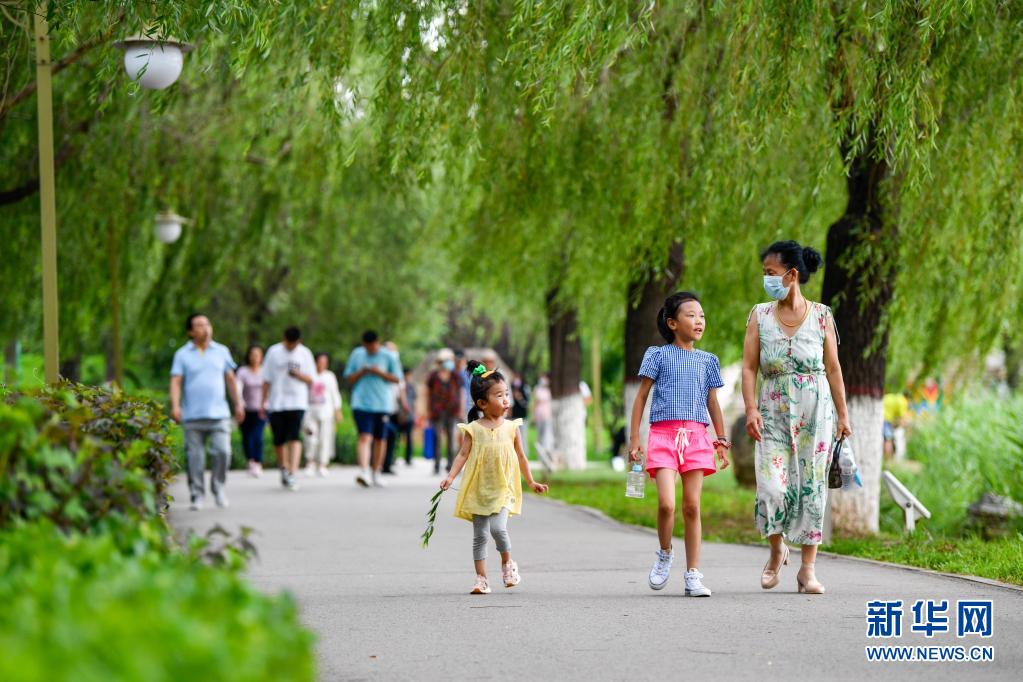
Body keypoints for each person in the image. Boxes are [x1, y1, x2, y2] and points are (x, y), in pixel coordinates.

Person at [742, 240, 851, 595]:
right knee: (772, 486)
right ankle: (776, 551)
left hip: (815, 412)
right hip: (771, 410)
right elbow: (747, 367)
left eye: (770, 273)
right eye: (764, 273)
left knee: (811, 487)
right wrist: (750, 408)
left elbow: (833, 369)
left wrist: (843, 416)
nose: (766, 279)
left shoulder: (822, 315)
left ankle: (808, 570)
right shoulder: (759, 314)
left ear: (791, 275)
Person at [628, 292, 730, 598]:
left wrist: (721, 440)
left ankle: (693, 574)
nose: (699, 321)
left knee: (692, 506)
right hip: (662, 435)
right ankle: (664, 553)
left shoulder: (708, 360)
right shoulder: (657, 356)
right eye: (691, 315)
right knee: (667, 504)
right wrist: (635, 438)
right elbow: (641, 397)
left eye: (701, 315)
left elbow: (713, 402)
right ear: (672, 323)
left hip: (697, 437)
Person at [440, 360, 549, 594]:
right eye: (499, 395)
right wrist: (450, 477)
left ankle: (508, 564)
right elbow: (461, 455)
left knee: (498, 529)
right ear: (482, 403)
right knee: (479, 536)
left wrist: (531, 481)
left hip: (502, 488)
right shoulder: (473, 429)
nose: (506, 399)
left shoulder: (512, 427)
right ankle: (481, 579)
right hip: (479, 490)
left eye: (506, 394)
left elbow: (521, 457)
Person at [169, 313, 245, 510]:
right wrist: (176, 406)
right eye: (200, 325)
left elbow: (230, 379)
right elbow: (176, 382)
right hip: (193, 415)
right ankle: (197, 494)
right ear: (190, 331)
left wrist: (238, 404)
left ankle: (218, 487)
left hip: (219, 413)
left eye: (207, 324)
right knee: (195, 458)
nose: (206, 328)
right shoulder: (182, 354)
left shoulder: (221, 351)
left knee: (223, 451)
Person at [343, 330, 403, 487]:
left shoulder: (388, 356)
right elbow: (348, 378)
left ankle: (376, 471)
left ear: (378, 342)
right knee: (364, 437)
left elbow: (397, 378)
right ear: (364, 344)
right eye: (367, 347)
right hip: (361, 403)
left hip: (382, 404)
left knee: (380, 439)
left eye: (373, 346)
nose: (370, 349)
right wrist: (361, 372)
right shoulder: (357, 354)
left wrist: (380, 373)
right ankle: (364, 471)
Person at [262, 326, 317, 491]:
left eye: (293, 344)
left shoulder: (305, 353)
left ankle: (292, 472)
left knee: (294, 436)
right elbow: (266, 379)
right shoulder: (273, 352)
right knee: (279, 439)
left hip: (297, 401)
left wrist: (298, 375)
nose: (291, 346)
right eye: (288, 343)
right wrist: (262, 402)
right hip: (277, 402)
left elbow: (311, 379)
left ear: (298, 341)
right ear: (283, 339)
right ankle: (284, 468)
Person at [304, 352, 342, 477]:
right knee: (310, 436)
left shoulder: (330, 376)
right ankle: (310, 462)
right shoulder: (308, 375)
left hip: (326, 411)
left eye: (325, 362)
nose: (322, 365)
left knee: (325, 438)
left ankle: (323, 464)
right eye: (320, 362)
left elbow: (335, 393)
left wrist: (338, 410)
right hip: (310, 410)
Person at [427, 348, 465, 474]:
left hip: (452, 411)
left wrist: (461, 409)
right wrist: (427, 410)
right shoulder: (433, 376)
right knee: (437, 437)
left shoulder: (455, 375)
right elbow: (428, 393)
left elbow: (461, 392)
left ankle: (450, 465)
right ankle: (436, 465)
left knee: (451, 438)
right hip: (437, 411)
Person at [236, 345, 267, 478]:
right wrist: (240, 405)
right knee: (247, 437)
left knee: (258, 436)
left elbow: (269, 389)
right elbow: (237, 388)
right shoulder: (243, 371)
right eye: (252, 354)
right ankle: (250, 460)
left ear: (261, 357)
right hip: (245, 409)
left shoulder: (265, 371)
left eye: (258, 355)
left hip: (261, 409)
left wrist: (265, 404)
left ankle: (258, 461)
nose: (255, 357)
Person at [382, 341, 409, 475]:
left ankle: (387, 463)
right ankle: (378, 463)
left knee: (392, 436)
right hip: (381, 408)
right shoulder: (381, 367)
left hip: (394, 409)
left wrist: (405, 406)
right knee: (382, 436)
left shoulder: (397, 368)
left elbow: (401, 389)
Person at [510, 373, 531, 456]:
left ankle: (524, 453)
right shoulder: (511, 387)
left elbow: (526, 403)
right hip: (513, 416)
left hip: (522, 416)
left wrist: (519, 398)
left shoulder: (525, 387)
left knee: (523, 435)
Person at [532, 373, 553, 454]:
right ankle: (540, 453)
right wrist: (533, 415)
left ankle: (547, 451)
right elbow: (535, 402)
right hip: (539, 415)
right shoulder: (537, 389)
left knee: (547, 435)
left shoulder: (549, 389)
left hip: (547, 415)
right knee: (540, 435)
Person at [400, 368, 417, 465]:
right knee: (397, 437)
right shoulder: (399, 386)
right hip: (399, 415)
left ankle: (408, 458)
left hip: (409, 415)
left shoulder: (411, 386)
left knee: (409, 437)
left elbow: (414, 401)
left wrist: (415, 414)